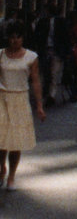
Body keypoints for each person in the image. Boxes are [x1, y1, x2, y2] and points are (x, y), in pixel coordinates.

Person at [0, 19, 46, 189]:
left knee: (15, 142)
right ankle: (1, 168)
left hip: (20, 99)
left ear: (23, 38)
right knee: (1, 141)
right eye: (11, 37)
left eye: (18, 37)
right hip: (2, 99)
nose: (14, 41)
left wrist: (39, 106)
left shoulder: (31, 57)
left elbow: (35, 81)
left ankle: (11, 175)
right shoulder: (0, 55)